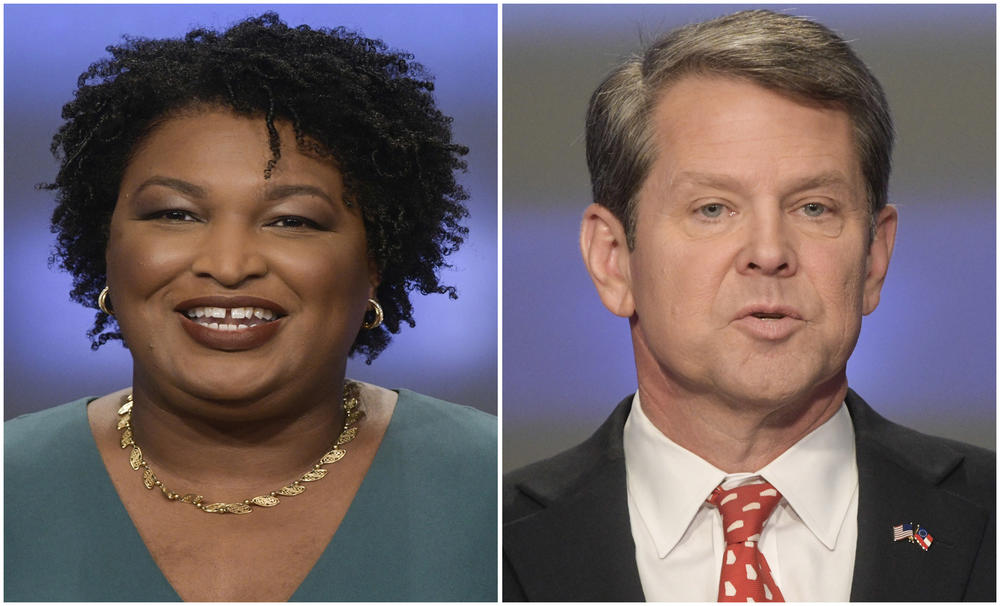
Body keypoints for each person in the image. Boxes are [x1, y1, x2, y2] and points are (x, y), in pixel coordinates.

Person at [503, 9, 993, 602]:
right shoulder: (487, 544)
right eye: (713, 208)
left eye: (814, 207)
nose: (769, 252)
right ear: (614, 260)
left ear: (873, 258)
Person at [5, 13, 495, 601]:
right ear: (106, 247)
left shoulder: (493, 491)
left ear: (374, 265)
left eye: (292, 220)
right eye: (175, 214)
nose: (230, 265)